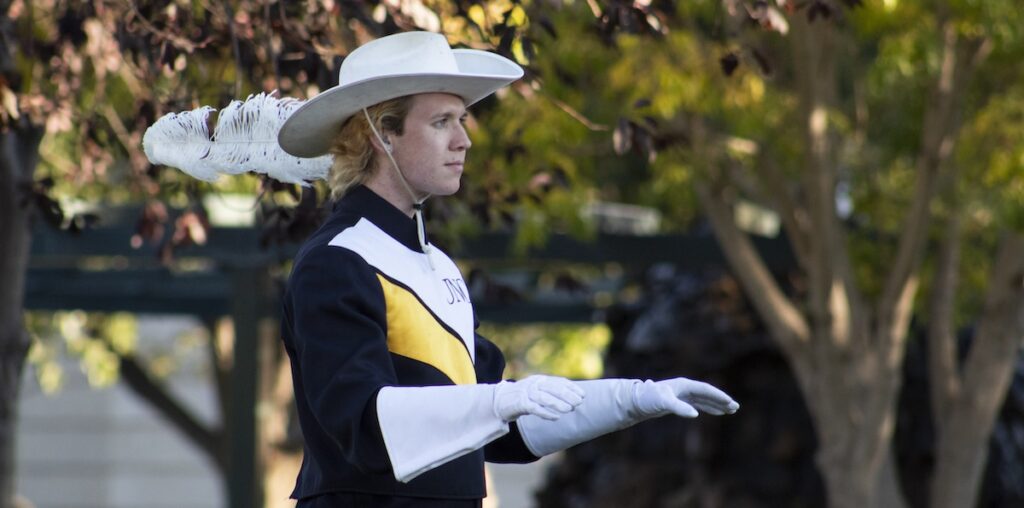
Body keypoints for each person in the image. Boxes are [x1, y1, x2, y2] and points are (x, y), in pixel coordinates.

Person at [274, 31, 740, 507]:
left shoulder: (435, 264)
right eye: (441, 122)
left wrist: (631, 399)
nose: (464, 140)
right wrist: (498, 402)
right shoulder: (337, 260)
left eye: (461, 120)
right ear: (382, 134)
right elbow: (365, 425)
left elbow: (505, 429)